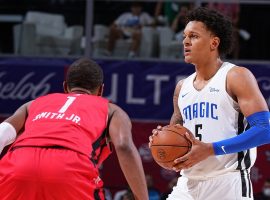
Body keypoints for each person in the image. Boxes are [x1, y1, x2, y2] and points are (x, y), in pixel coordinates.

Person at [149, 7, 270, 200]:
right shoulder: (182, 87)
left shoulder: (236, 76)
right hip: (188, 183)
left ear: (214, 43)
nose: (185, 42)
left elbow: (265, 130)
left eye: (194, 36)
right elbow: (176, 132)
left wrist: (210, 149)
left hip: (228, 183)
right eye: (184, 36)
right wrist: (161, 139)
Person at [0, 58, 149, 200]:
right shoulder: (112, 110)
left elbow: (3, 132)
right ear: (101, 90)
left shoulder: (33, 104)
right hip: (69, 167)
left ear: (65, 87)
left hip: (18, 164)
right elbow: (124, 146)